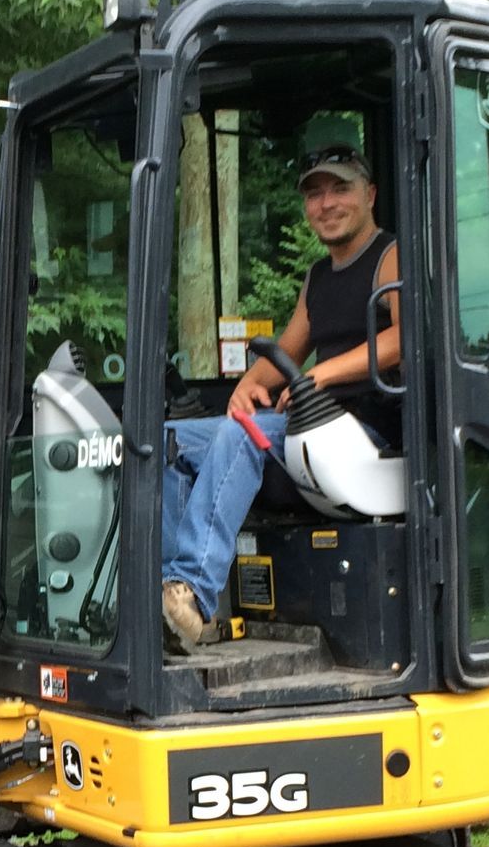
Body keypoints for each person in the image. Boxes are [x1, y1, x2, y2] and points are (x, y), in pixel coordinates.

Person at [161, 146, 402, 653]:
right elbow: (286, 352)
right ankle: (168, 598)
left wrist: (320, 375)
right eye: (315, 194)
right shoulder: (318, 278)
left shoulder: (389, 256)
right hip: (311, 432)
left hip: (369, 435)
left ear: (370, 195)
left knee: (241, 434)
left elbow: (405, 338)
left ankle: (196, 593)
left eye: (340, 189)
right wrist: (250, 383)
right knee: (170, 441)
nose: (326, 203)